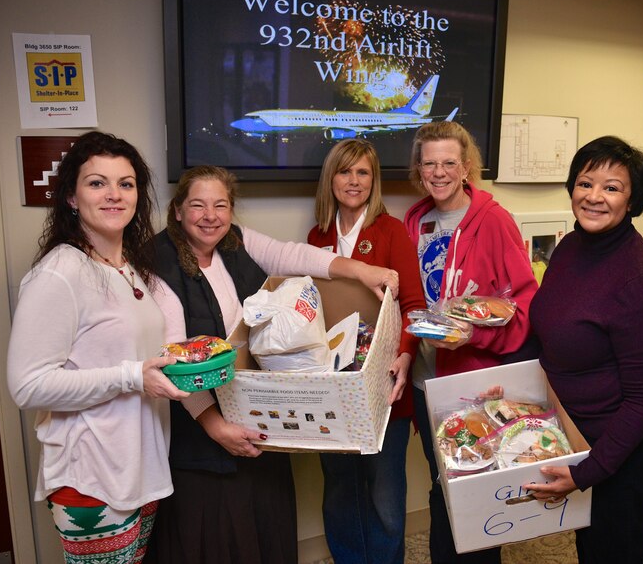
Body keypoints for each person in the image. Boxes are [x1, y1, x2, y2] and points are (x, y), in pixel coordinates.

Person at [144, 165, 399, 564]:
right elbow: (176, 361)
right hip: (200, 429)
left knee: (265, 524)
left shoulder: (235, 241)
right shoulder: (158, 264)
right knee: (218, 539)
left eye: (220, 205)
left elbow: (293, 255)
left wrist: (362, 270)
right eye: (197, 205)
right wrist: (216, 427)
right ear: (177, 211)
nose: (210, 216)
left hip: (256, 414)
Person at [6, 131, 189, 564]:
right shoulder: (60, 272)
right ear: (71, 196)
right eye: (97, 183)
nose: (114, 195)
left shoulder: (131, 269)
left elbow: (144, 353)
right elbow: (27, 386)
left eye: (125, 184)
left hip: (138, 468)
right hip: (91, 478)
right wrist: (131, 375)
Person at [524, 136, 643, 563]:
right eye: (585, 183)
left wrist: (586, 472)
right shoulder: (572, 246)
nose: (594, 196)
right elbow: (552, 329)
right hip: (583, 433)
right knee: (590, 547)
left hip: (630, 446)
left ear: (632, 201)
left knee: (612, 552)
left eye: (612, 187)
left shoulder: (641, 281)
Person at [403, 121, 539, 564]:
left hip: (475, 384)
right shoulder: (414, 219)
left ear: (466, 167)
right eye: (429, 163)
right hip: (426, 381)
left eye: (449, 162)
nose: (438, 172)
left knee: (474, 488)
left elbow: (523, 305)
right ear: (418, 169)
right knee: (442, 481)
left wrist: (471, 333)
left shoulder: (494, 221)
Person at [307, 139, 426, 564]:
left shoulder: (390, 231)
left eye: (363, 173)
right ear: (331, 179)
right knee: (339, 487)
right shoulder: (317, 235)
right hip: (333, 387)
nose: (353, 181)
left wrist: (406, 355)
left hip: (385, 383)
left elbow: (414, 306)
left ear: (373, 181)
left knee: (384, 493)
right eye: (345, 172)